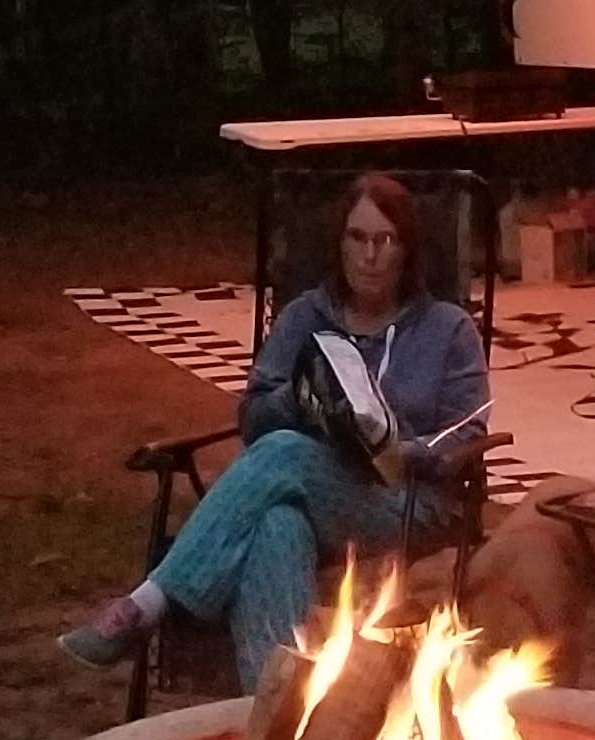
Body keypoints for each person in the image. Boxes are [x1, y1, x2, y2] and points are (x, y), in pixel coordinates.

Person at [62, 172, 492, 689]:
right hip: (317, 491)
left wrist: (407, 452)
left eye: (386, 240)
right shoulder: (304, 317)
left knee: (286, 453)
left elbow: (467, 432)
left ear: (407, 250)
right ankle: (280, 713)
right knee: (277, 526)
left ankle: (150, 602)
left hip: (410, 504)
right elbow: (253, 418)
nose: (371, 255)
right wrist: (300, 400)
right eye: (358, 238)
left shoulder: (446, 328)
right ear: (339, 246)